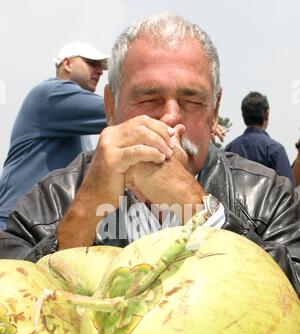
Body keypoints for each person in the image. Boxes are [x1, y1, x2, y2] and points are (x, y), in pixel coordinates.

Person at [0, 13, 299, 297]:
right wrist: (85, 211)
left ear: (215, 110)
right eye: (148, 98)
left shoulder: (266, 197)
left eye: (192, 100)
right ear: (110, 107)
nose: (170, 117)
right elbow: (16, 310)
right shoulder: (55, 197)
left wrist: (200, 209)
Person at [0, 41, 109, 230]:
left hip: (41, 226)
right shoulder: (51, 94)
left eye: (101, 67)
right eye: (92, 63)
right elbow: (117, 111)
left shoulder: (78, 127)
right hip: (14, 224)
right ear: (67, 64)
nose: (99, 71)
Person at [225, 92, 295, 185]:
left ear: (243, 116)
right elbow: (288, 190)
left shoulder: (229, 149)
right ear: (266, 114)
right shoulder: (275, 150)